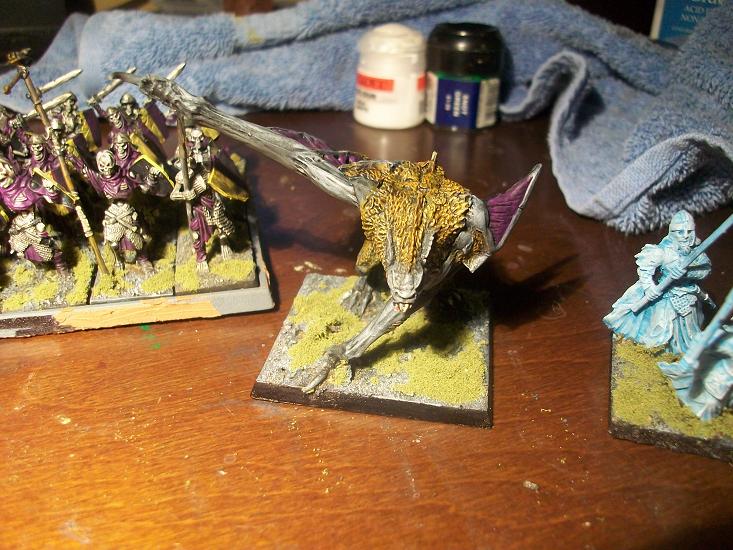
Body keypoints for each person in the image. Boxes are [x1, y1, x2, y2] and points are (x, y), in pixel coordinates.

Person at [603, 210, 712, 354]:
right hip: (666, 296)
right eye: (680, 232)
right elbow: (645, 269)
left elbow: (705, 270)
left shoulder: (696, 251)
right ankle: (661, 350)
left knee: (691, 328)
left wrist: (687, 273)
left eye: (689, 231)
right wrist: (650, 288)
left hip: (688, 294)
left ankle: (683, 350)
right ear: (672, 232)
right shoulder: (663, 251)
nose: (685, 236)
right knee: (660, 329)